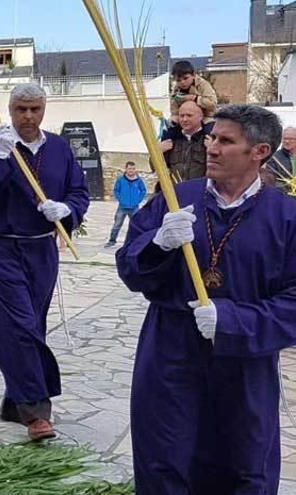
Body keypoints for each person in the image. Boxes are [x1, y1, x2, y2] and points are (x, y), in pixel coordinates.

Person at [116, 104, 296, 494]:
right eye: (212, 137)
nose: (211, 147)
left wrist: (232, 320)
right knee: (164, 458)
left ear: (260, 152)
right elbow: (130, 267)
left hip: (244, 363)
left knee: (244, 462)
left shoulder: (286, 216)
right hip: (171, 351)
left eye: (226, 141)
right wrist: (156, 245)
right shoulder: (177, 198)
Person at [0, 83, 90, 441]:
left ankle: (14, 401)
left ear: (44, 110)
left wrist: (67, 210)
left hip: (41, 249)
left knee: (33, 325)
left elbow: (79, 192)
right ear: (10, 109)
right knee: (17, 325)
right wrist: (1, 160)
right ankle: (36, 411)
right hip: (0, 248)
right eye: (21, 109)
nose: (28, 117)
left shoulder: (60, 148)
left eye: (35, 109)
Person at [160, 101, 214, 182]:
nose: (184, 119)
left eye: (189, 115)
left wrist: (213, 151)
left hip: (200, 191)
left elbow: (223, 169)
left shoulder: (210, 139)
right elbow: (155, 168)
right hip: (176, 192)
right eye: (181, 116)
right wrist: (157, 152)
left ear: (200, 117)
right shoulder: (171, 138)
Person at [104, 161, 147, 248]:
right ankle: (112, 240)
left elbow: (143, 190)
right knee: (117, 225)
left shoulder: (138, 180)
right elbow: (116, 190)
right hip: (122, 207)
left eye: (133, 168)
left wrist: (138, 200)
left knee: (136, 225)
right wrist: (120, 199)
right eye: (130, 168)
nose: (131, 170)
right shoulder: (120, 179)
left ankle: (136, 242)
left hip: (134, 207)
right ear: (126, 169)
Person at [169, 60, 217, 125]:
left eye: (186, 78)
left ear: (193, 75)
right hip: (185, 119)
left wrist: (195, 98)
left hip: (205, 118)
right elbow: (174, 110)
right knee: (170, 131)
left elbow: (212, 104)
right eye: (178, 80)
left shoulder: (203, 85)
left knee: (208, 131)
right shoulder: (176, 89)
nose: (182, 82)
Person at [264, 126, 296, 192]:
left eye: (291, 139)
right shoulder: (274, 158)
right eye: (284, 139)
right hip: (284, 196)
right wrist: (290, 186)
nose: (287, 141)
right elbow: (271, 181)